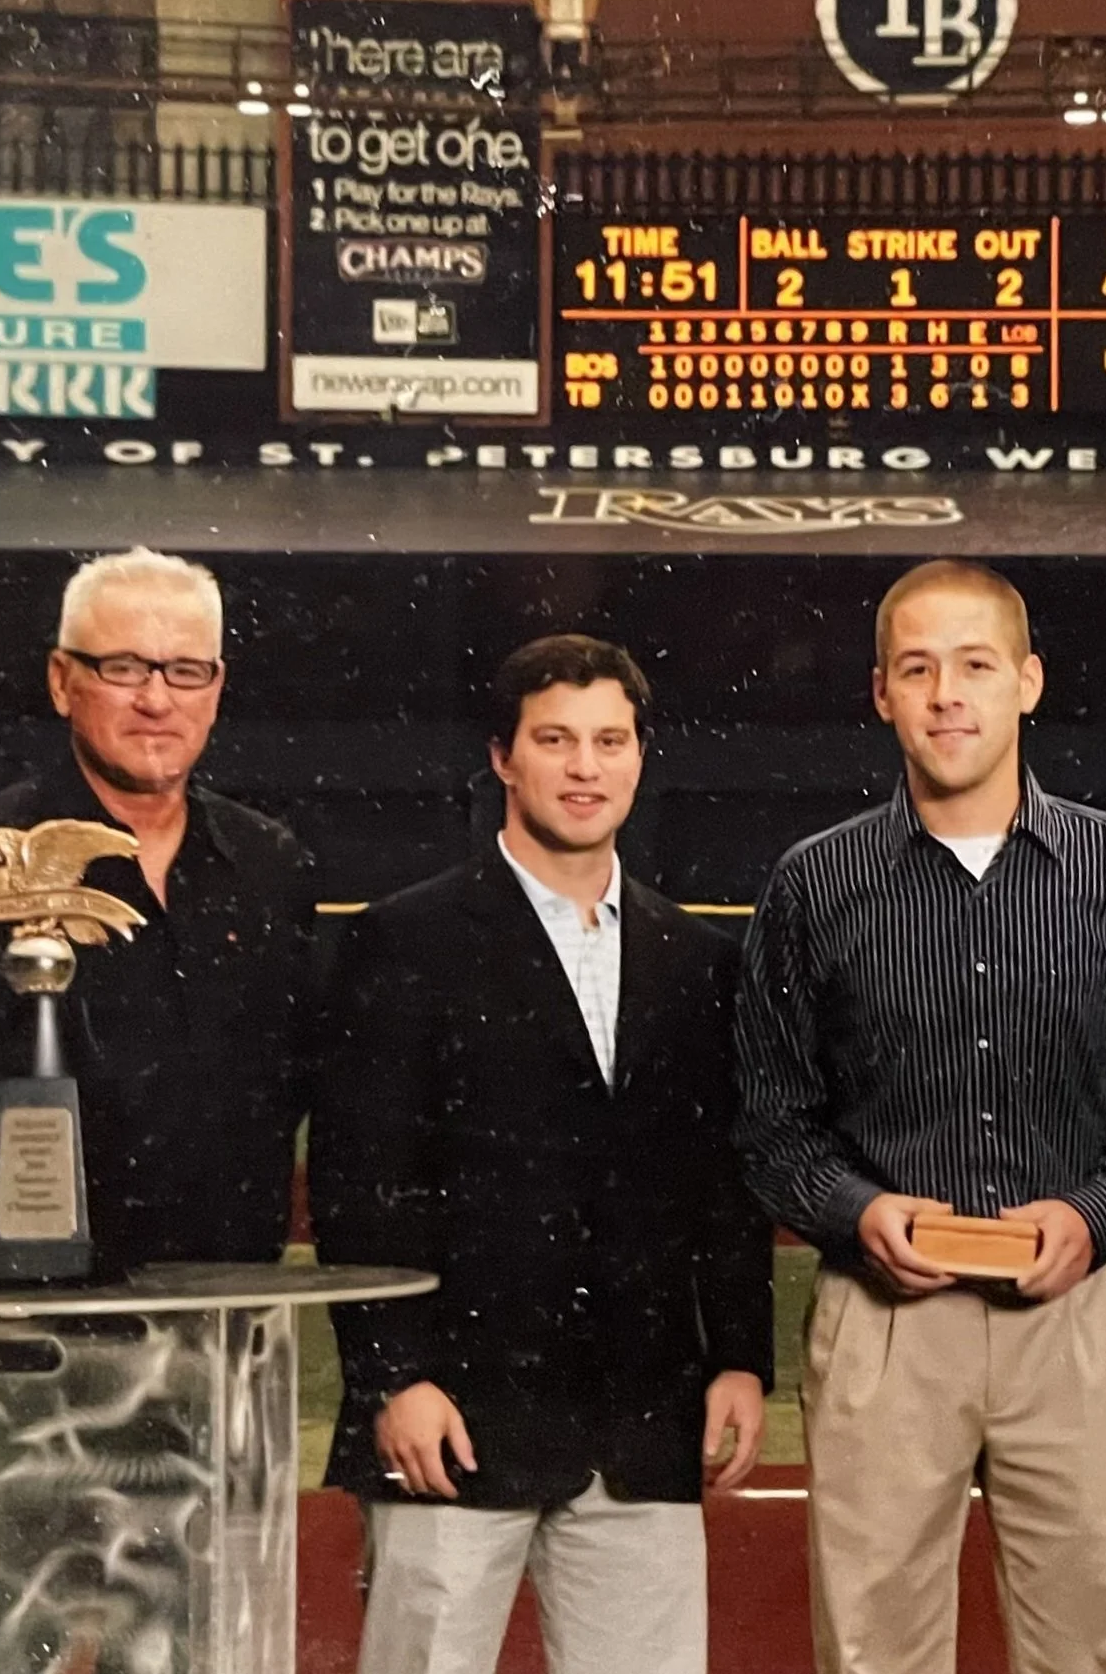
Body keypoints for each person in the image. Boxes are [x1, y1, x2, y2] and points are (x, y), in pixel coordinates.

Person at [734, 559, 1106, 1674]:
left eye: (974, 664)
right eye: (918, 667)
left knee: (1092, 1652)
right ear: (881, 694)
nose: (947, 692)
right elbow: (769, 1114)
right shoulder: (814, 882)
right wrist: (856, 1211)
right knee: (874, 1657)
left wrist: (1097, 1214)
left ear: (1027, 682)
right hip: (885, 1316)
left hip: (1074, 1307)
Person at [311, 633, 772, 1674]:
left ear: (641, 757)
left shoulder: (696, 959)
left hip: (641, 1419)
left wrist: (741, 1355)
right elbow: (361, 1176)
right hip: (458, 1416)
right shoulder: (406, 938)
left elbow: (721, 1180)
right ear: (502, 758)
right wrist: (395, 1377)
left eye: (609, 740)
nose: (584, 765)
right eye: (555, 739)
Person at [0, 546, 315, 1275]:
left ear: (216, 686)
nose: (156, 699)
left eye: (185, 670)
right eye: (123, 667)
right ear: (61, 680)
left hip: (225, 1314)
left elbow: (293, 1084)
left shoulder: (271, 864)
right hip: (19, 1325)